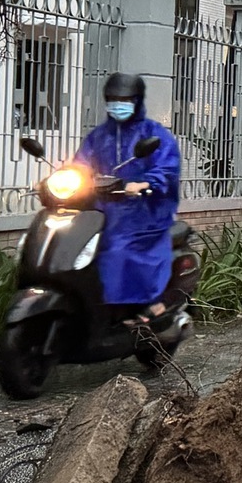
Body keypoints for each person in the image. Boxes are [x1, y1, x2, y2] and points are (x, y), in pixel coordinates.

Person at [76, 72, 183, 318]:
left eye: (124, 99)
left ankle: (140, 307)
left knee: (118, 249)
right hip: (102, 211)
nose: (118, 104)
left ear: (137, 100)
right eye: (113, 99)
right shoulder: (99, 136)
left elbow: (167, 169)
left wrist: (144, 183)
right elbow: (81, 163)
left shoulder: (154, 135)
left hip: (145, 212)